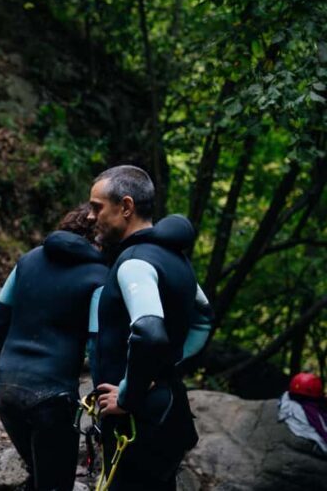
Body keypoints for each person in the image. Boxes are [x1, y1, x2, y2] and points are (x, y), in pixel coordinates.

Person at [88, 165, 210, 491]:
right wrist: (170, 363)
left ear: (126, 207)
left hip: (137, 419)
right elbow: (204, 317)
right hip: (166, 409)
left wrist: (129, 395)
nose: (90, 216)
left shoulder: (135, 263)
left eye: (97, 207)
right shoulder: (177, 260)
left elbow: (149, 333)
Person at [0, 204, 108, 491]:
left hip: (7, 387)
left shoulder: (28, 260)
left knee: (37, 469)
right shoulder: (100, 278)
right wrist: (104, 397)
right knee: (55, 482)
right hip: (52, 396)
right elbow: (95, 344)